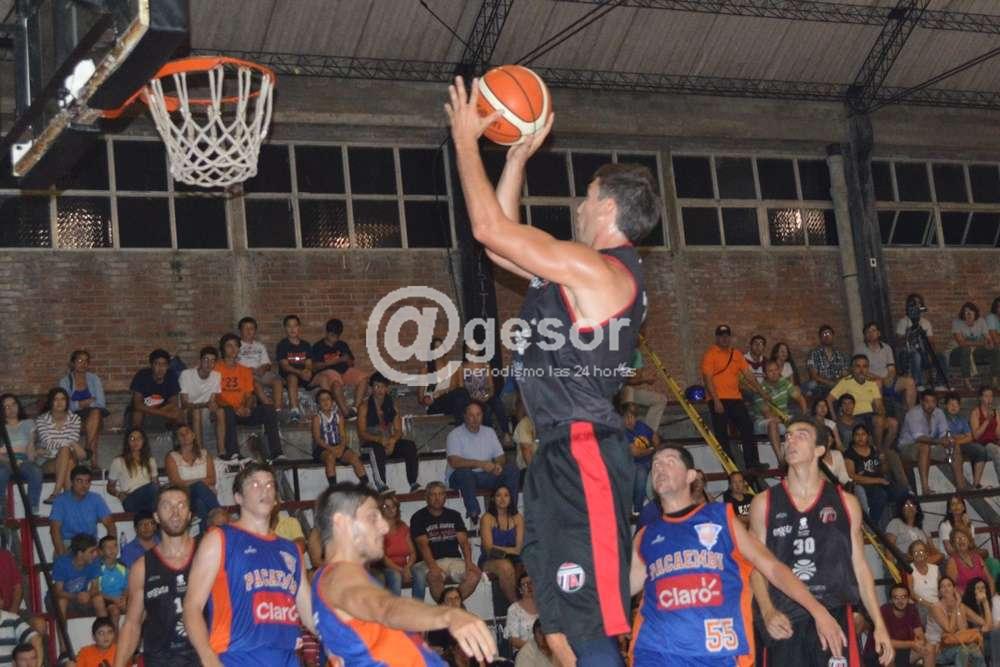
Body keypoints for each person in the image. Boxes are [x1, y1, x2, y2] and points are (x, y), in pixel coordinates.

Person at [448, 77, 657, 665]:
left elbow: (488, 228)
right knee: (558, 622)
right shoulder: (577, 270)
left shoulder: (600, 271)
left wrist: (464, 140)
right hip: (557, 450)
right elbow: (500, 246)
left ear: (608, 208)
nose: (579, 207)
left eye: (587, 198)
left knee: (584, 624)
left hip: (584, 451)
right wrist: (514, 159)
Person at [629, 443, 847, 666]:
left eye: (669, 462)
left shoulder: (720, 518)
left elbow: (772, 567)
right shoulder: (645, 536)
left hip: (715, 653)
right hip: (656, 652)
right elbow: (619, 590)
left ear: (690, 476)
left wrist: (818, 611)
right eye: (656, 464)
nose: (660, 467)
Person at [750, 418, 893, 666]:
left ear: (819, 449)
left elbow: (860, 567)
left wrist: (879, 624)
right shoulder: (764, 502)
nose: (790, 440)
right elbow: (755, 566)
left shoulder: (846, 503)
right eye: (788, 436)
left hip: (834, 612)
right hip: (785, 617)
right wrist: (767, 610)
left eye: (801, 435)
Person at [309, 482, 496, 665]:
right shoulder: (340, 578)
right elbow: (386, 608)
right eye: (373, 517)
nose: (383, 527)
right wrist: (449, 616)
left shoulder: (329, 579)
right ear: (341, 523)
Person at [183, 463, 313, 666]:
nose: (265, 490)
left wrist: (339, 642)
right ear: (238, 497)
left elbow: (310, 612)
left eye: (270, 485)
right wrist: (208, 657)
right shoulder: (219, 539)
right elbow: (192, 606)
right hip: (237, 657)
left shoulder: (291, 550)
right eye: (255, 484)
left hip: (287, 658)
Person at [113, 485, 199, 667]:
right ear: (157, 517)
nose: (175, 512)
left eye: (181, 505)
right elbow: (132, 624)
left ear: (190, 514)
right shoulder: (142, 567)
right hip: (160, 660)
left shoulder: (207, 556)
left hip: (201, 659)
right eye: (167, 506)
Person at [701, 324, 765, 471]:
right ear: (717, 338)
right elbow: (707, 379)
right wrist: (716, 401)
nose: (724, 338)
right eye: (721, 336)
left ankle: (752, 463)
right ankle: (730, 467)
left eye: (727, 336)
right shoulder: (710, 354)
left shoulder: (736, 354)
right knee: (722, 434)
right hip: (718, 400)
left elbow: (748, 375)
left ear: (730, 337)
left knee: (747, 427)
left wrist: (762, 392)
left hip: (736, 398)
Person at [444, 401, 519, 523]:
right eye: (471, 415)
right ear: (465, 416)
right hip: (461, 477)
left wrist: (498, 465)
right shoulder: (454, 435)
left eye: (478, 414)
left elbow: (501, 456)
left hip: (485, 475)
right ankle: (474, 515)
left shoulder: (489, 432)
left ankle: (511, 511)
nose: (475, 418)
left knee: (511, 469)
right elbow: (454, 462)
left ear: (482, 416)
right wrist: (481, 464)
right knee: (465, 473)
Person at [215, 333, 284, 462]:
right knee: (227, 411)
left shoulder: (245, 370)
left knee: (268, 409)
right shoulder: (216, 368)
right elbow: (216, 396)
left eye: (236, 346)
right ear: (223, 349)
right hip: (226, 412)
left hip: (243, 410)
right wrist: (235, 408)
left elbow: (249, 395)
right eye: (229, 346)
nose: (233, 349)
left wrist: (246, 407)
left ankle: (277, 453)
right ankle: (233, 453)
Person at [410, 482, 482, 603]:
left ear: (445, 497)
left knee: (474, 575)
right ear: (426, 498)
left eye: (440, 494)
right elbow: (423, 546)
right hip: (428, 562)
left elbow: (464, 543)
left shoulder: (454, 515)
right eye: (433, 494)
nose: (437, 498)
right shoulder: (418, 517)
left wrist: (469, 563)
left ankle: (450, 605)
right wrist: (433, 567)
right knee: (434, 576)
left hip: (453, 560)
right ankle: (447, 608)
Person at [357, 373, 419, 493]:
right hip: (369, 446)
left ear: (387, 388)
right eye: (376, 386)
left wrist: (392, 441)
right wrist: (380, 440)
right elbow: (362, 433)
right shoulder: (364, 407)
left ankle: (413, 483)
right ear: (371, 388)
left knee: (410, 445)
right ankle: (381, 486)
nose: (380, 390)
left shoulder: (392, 405)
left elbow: (398, 430)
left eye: (382, 386)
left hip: (388, 443)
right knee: (376, 449)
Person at [828, 355, 899, 453]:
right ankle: (879, 452)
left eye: (865, 366)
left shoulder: (872, 383)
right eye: (858, 366)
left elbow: (879, 405)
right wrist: (834, 418)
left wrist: (881, 413)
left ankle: (884, 449)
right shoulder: (845, 382)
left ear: (868, 369)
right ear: (852, 368)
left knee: (893, 423)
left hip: (870, 416)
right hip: (854, 417)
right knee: (879, 421)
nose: (861, 370)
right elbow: (829, 399)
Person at [899, 390, 963, 496]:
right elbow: (919, 438)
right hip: (908, 447)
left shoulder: (939, 413)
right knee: (924, 447)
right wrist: (939, 441)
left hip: (930, 446)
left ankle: (961, 487)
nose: (930, 405)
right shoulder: (913, 414)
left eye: (933, 402)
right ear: (921, 402)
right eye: (927, 402)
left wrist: (948, 440)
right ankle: (925, 489)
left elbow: (944, 432)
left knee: (954, 446)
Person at [843, 424, 907, 528]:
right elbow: (852, 475)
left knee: (903, 492)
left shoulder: (874, 450)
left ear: (868, 436)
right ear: (853, 437)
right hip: (864, 485)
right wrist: (877, 480)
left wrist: (883, 462)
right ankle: (872, 525)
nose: (860, 437)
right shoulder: (849, 453)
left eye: (863, 434)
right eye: (857, 435)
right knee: (880, 495)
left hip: (881, 482)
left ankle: (899, 523)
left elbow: (884, 470)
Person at [49, 465, 114, 556]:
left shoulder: (96, 499)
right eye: (79, 481)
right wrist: (61, 556)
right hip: (68, 544)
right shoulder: (60, 501)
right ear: (72, 482)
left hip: (90, 544)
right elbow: (54, 530)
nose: (84, 485)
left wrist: (108, 548)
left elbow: (110, 525)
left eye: (87, 481)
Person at [309, 318, 367, 420]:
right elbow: (315, 366)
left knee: (363, 378)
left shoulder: (342, 345)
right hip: (328, 373)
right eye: (332, 335)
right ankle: (346, 413)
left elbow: (351, 363)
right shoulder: (318, 346)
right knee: (335, 380)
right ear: (327, 333)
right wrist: (337, 360)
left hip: (344, 371)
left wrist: (348, 360)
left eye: (337, 336)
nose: (334, 339)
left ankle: (355, 408)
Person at [59, 350, 108, 467]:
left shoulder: (94, 379)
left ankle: (87, 448)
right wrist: (84, 402)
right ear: (73, 363)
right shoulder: (65, 381)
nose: (83, 364)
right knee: (94, 428)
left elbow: (101, 403)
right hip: (73, 418)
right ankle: (93, 464)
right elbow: (65, 406)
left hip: (93, 415)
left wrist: (79, 404)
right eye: (80, 360)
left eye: (86, 361)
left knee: (95, 413)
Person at [164, 424, 220, 526]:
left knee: (200, 503)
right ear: (177, 439)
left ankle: (204, 533)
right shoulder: (171, 457)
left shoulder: (205, 454)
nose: (184, 435)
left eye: (187, 432)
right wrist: (199, 482)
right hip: (184, 496)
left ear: (193, 435)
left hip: (203, 496)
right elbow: (177, 483)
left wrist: (194, 483)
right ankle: (220, 514)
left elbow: (212, 479)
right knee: (199, 486)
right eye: (180, 434)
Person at [753, 359, 807, 466]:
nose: (774, 373)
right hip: (763, 422)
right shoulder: (760, 389)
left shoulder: (784, 383)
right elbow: (768, 414)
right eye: (770, 371)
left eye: (775, 370)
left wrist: (804, 413)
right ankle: (781, 459)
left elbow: (800, 398)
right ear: (765, 374)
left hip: (783, 420)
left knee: (802, 423)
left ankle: (802, 458)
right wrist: (786, 419)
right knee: (773, 423)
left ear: (779, 371)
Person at [311, 389, 368, 487]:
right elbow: (317, 439)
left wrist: (341, 448)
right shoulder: (317, 418)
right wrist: (331, 449)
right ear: (318, 404)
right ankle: (333, 487)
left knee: (354, 457)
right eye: (322, 400)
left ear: (332, 401)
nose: (325, 402)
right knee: (330, 457)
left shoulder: (338, 416)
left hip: (338, 445)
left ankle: (366, 484)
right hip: (323, 448)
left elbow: (343, 435)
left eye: (328, 399)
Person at [36, 388, 84, 502]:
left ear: (67, 401)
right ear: (50, 402)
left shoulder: (75, 419)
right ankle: (69, 500)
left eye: (63, 399)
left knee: (67, 454)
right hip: (48, 461)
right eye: (55, 399)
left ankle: (56, 492)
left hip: (69, 458)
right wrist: (67, 443)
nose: (59, 402)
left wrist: (66, 445)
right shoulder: (41, 419)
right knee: (67, 455)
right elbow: (48, 443)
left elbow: (74, 439)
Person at [478, 485, 523, 606]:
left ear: (511, 498)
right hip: (489, 559)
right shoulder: (487, 518)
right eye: (498, 495)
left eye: (506, 495)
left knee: (531, 563)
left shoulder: (518, 517)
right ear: (493, 498)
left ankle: (530, 604)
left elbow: (519, 548)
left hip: (515, 558)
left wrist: (511, 551)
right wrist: (511, 550)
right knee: (506, 566)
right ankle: (517, 606)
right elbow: (489, 548)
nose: (502, 499)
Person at [50, 534, 107, 628]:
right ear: (80, 553)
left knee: (98, 599)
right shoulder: (62, 563)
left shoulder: (94, 561)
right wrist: (76, 596)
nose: (95, 554)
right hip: (62, 597)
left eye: (95, 550)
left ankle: (105, 633)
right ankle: (63, 638)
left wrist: (88, 594)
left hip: (81, 596)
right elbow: (58, 592)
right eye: (91, 552)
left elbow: (95, 588)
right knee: (62, 602)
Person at [857, 322, 916, 411]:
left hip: (887, 380)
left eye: (873, 331)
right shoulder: (860, 349)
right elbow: (861, 371)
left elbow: (891, 369)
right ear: (865, 335)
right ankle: (880, 414)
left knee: (910, 382)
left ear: (878, 333)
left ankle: (910, 414)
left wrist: (890, 378)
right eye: (868, 332)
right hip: (871, 380)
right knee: (878, 383)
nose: (871, 334)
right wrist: (881, 379)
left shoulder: (886, 347)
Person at [929, 576, 986, 667]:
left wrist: (985, 602)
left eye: (949, 585)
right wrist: (956, 606)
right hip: (939, 648)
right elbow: (949, 629)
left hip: (957, 643)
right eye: (942, 586)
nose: (946, 589)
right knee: (963, 651)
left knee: (975, 650)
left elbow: (964, 628)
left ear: (954, 589)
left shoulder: (960, 605)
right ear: (939, 591)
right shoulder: (935, 607)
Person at [0, 394, 42, 516]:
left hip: (23, 459)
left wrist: (34, 454)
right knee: (1, 472)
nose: (11, 409)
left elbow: (30, 449)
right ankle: (1, 508)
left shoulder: (28, 423)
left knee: (35, 471)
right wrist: (10, 460)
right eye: (6, 406)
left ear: (18, 405)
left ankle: (32, 508)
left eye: (13, 404)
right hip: (3, 460)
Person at [178, 346, 225, 451]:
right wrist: (204, 405)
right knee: (196, 412)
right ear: (200, 361)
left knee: (221, 412)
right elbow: (184, 403)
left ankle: (222, 452)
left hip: (205, 410)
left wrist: (212, 407)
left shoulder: (216, 376)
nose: (209, 364)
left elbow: (212, 401)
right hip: (187, 411)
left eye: (212, 361)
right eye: (206, 360)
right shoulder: (186, 374)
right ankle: (199, 451)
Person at [236, 316, 284, 411]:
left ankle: (278, 408)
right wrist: (248, 370)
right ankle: (269, 406)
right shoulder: (236, 346)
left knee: (277, 381)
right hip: (245, 375)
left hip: (260, 372)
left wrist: (263, 368)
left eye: (251, 328)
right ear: (240, 331)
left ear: (255, 331)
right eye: (246, 328)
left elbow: (268, 364)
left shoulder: (260, 346)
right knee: (255, 383)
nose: (249, 331)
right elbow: (232, 364)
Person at [128, 349, 185, 430]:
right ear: (151, 365)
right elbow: (137, 405)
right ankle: (137, 434)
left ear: (168, 366)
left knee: (177, 411)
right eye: (157, 364)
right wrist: (163, 413)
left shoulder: (171, 375)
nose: (161, 368)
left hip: (163, 409)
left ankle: (178, 435)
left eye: (164, 364)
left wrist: (162, 412)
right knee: (138, 413)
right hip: (145, 411)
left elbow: (173, 403)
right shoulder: (142, 375)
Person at [942, 392, 990, 489]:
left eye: (956, 404)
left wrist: (957, 439)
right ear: (946, 406)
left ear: (959, 406)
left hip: (961, 443)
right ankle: (961, 486)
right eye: (951, 404)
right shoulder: (942, 418)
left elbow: (970, 437)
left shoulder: (962, 419)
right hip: (947, 446)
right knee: (955, 449)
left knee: (980, 450)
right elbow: (946, 437)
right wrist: (961, 436)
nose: (953, 407)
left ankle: (976, 483)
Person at [948, 302, 1000, 390]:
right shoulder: (957, 322)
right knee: (966, 349)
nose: (968, 314)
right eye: (966, 312)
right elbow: (962, 343)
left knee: (995, 349)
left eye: (971, 311)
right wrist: (982, 343)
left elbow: (988, 337)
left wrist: (990, 343)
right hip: (956, 351)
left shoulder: (981, 321)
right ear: (962, 314)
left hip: (975, 350)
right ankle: (966, 382)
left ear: (975, 313)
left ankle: (994, 381)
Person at [619, 399, 658, 514]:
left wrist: (656, 450)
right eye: (626, 417)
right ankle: (638, 509)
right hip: (633, 463)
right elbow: (635, 452)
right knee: (640, 473)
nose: (629, 420)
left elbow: (655, 437)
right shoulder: (622, 431)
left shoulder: (641, 425)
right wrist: (651, 450)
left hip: (649, 459)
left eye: (632, 417)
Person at [107, 429, 158, 514]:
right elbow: (110, 487)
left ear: (144, 441)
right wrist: (119, 494)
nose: (136, 441)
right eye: (132, 438)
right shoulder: (118, 461)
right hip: (130, 499)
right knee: (153, 488)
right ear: (127, 442)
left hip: (148, 497)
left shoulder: (150, 460)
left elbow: (156, 483)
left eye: (139, 438)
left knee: (160, 491)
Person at [880, 582, 930, 667]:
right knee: (889, 652)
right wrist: (912, 644)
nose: (900, 601)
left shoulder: (911, 609)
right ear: (891, 600)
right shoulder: (884, 611)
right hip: (884, 652)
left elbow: (919, 633)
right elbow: (886, 642)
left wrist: (921, 641)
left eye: (903, 597)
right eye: (896, 598)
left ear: (908, 599)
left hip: (906, 650)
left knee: (930, 647)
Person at [275, 314, 313, 422]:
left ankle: (329, 411)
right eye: (289, 326)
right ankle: (294, 410)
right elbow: (285, 366)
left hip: (304, 375)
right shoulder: (282, 345)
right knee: (293, 377)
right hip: (289, 377)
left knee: (323, 378)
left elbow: (309, 363)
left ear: (299, 327)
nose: (292, 329)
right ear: (285, 328)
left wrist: (308, 370)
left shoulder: (306, 345)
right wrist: (300, 372)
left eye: (295, 326)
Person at [377, 493, 417, 597]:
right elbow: (383, 558)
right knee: (396, 577)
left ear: (397, 509)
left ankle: (418, 605)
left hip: (404, 566)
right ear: (380, 509)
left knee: (419, 574)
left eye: (393, 506)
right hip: (384, 568)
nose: (390, 510)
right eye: (386, 507)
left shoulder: (403, 526)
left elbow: (413, 553)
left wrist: (407, 568)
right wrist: (402, 571)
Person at [621, 347, 667, 435]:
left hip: (627, 390)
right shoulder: (613, 351)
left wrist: (643, 379)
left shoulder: (636, 353)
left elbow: (636, 378)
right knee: (628, 390)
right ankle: (628, 434)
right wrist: (643, 379)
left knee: (660, 400)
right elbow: (616, 378)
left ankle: (647, 435)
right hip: (611, 392)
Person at [884, 495, 943, 564]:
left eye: (912, 505)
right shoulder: (895, 523)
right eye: (906, 505)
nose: (910, 507)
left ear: (917, 508)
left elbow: (932, 548)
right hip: (906, 562)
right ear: (901, 509)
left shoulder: (923, 525)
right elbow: (889, 548)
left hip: (925, 561)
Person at [960, 577, 999, 664]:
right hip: (973, 640)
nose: (981, 590)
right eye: (977, 588)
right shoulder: (965, 606)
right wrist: (985, 602)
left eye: (983, 587)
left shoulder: (987, 603)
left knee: (996, 633)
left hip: (986, 636)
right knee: (995, 634)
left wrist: (985, 603)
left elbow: (989, 627)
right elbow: (988, 626)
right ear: (972, 590)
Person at [805, 325, 851, 399]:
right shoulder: (813, 353)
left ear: (833, 336)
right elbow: (814, 376)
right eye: (824, 334)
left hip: (838, 384)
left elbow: (845, 373)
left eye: (829, 333)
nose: (827, 336)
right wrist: (829, 383)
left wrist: (838, 382)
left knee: (849, 383)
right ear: (820, 338)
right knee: (811, 385)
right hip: (821, 385)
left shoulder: (841, 354)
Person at [946, 528, 994, 597]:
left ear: (968, 541)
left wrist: (990, 597)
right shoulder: (952, 562)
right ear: (953, 544)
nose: (961, 540)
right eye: (957, 539)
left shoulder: (977, 557)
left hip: (985, 596)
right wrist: (972, 599)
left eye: (963, 537)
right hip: (966, 599)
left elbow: (990, 580)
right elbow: (951, 587)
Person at [906, 540, 941, 625]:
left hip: (937, 604)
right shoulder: (909, 569)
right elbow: (911, 593)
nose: (919, 554)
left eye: (921, 551)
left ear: (926, 553)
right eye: (915, 552)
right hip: (920, 605)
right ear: (911, 555)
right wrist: (929, 605)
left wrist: (939, 604)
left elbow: (941, 589)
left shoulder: (935, 568)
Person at [96, 535, 127, 626]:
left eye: (114, 546)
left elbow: (127, 587)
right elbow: (97, 591)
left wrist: (124, 598)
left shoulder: (123, 567)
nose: (112, 549)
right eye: (108, 547)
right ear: (101, 551)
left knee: (137, 609)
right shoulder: (98, 569)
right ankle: (115, 635)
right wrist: (113, 599)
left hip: (121, 598)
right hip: (107, 599)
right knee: (114, 612)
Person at [971, 386, 1000, 484]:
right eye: (986, 396)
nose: (989, 399)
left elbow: (998, 433)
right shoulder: (975, 412)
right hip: (982, 444)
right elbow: (976, 436)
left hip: (994, 443)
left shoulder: (995, 412)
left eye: (991, 396)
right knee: (997, 451)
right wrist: (987, 420)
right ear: (980, 398)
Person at [507, 574, 540, 654]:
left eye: (531, 583)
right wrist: (535, 650)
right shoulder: (514, 609)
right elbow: (513, 640)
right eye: (525, 584)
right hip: (524, 653)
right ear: (520, 589)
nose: (529, 586)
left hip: (546, 652)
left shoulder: (545, 606)